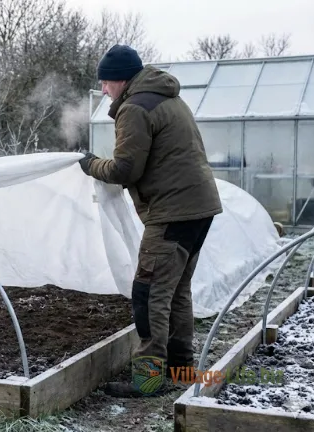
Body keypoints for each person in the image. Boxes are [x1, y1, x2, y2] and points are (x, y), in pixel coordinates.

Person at [78, 44, 223, 397]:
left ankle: (149, 380)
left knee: (148, 294)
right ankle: (182, 370)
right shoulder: (166, 98)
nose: (103, 90)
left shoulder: (135, 107)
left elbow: (126, 168)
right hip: (198, 208)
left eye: (105, 83)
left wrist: (90, 164)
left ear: (120, 80)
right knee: (176, 293)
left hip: (173, 212)